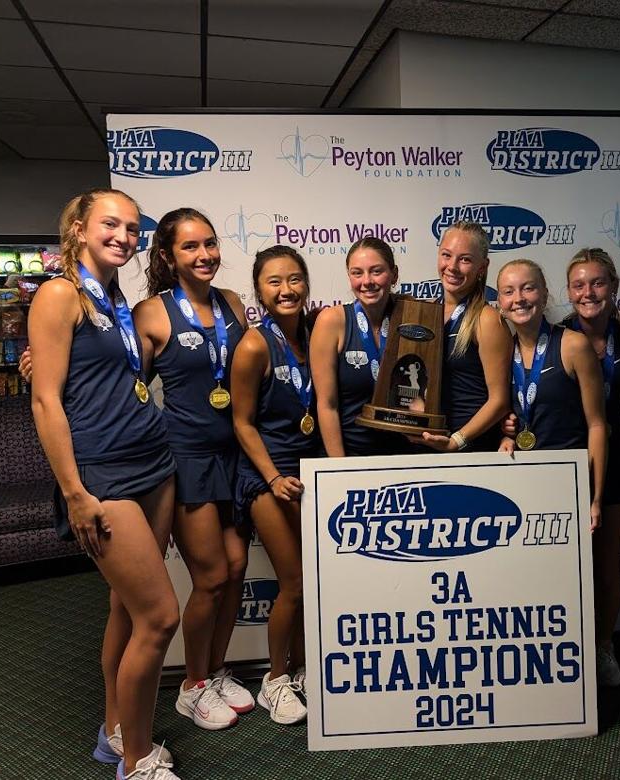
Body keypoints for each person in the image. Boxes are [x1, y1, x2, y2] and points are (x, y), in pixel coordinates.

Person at [29, 189, 180, 779]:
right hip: (103, 477)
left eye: (133, 228)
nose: (124, 235)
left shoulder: (117, 299)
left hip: (154, 464)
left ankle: (114, 731)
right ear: (79, 229)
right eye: (111, 224)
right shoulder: (59, 293)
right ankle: (138, 761)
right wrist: (74, 494)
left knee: (127, 606)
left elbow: (103, 375)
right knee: (161, 617)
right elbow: (47, 402)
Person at [131, 208, 254, 730]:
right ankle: (191, 685)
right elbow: (123, 382)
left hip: (237, 455)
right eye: (190, 247)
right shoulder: (151, 312)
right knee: (210, 576)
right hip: (187, 458)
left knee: (237, 569)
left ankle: (216, 669)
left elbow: (253, 370)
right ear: (167, 256)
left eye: (210, 244)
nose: (204, 255)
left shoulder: (233, 303)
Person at [231, 245, 321, 726]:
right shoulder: (253, 344)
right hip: (267, 476)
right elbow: (242, 423)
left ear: (306, 282)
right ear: (259, 290)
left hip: (310, 473)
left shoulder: (317, 331)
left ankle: (305, 668)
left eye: (294, 279)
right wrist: (271, 476)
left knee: (314, 582)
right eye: (273, 282)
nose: (285, 290)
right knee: (293, 583)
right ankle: (275, 679)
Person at [562, 248, 620, 687]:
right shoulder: (557, 335)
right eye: (579, 284)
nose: (588, 292)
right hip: (569, 458)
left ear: (613, 287)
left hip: (617, 456)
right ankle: (568, 646)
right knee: (568, 563)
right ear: (569, 291)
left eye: (597, 283)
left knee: (607, 561)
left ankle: (604, 646)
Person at [495, 258, 607, 532]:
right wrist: (506, 435)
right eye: (509, 291)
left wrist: (595, 498)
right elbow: (511, 410)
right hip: (521, 482)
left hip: (568, 478)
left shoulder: (573, 345)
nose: (519, 299)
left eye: (528, 288)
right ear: (499, 301)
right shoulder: (503, 351)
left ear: (544, 294)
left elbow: (597, 425)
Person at [417, 221, 512, 453]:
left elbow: (500, 401)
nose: (452, 266)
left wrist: (456, 441)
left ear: (482, 267)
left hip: (470, 449)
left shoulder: (486, 319)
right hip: (428, 444)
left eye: (465, 259)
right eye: (446, 255)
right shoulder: (426, 312)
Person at [310, 237, 410, 456]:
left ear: (394, 274)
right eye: (357, 273)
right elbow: (327, 406)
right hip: (352, 455)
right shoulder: (331, 322)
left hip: (405, 454)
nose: (367, 281)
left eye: (376, 271)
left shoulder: (412, 316)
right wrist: (341, 468)